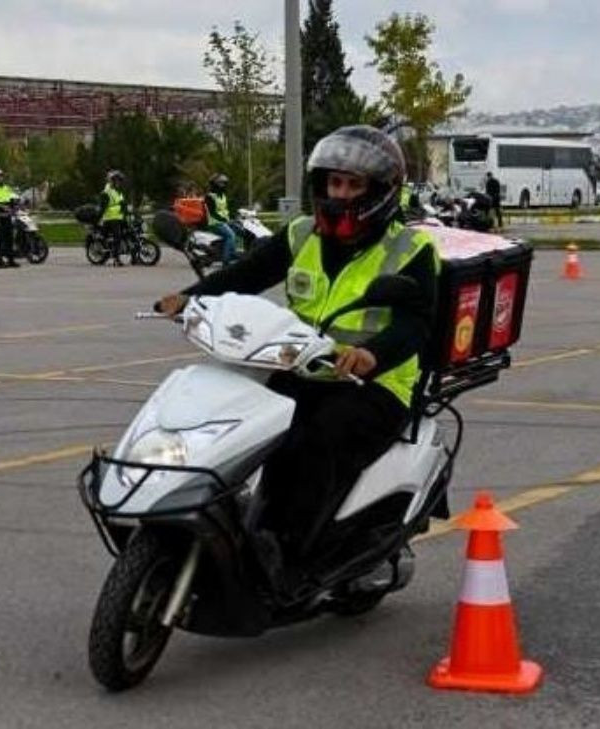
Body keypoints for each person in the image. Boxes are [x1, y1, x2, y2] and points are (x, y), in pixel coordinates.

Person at [156, 126, 439, 589]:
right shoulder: (303, 233)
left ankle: (289, 554)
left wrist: (372, 354)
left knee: (315, 440)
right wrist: (189, 298)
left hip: (376, 384)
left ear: (380, 192)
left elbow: (416, 323)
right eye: (334, 182)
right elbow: (247, 274)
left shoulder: (410, 249)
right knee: (238, 418)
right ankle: (231, 522)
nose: (340, 194)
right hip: (303, 366)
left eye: (353, 185)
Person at [97, 170, 132, 266]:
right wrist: (99, 218)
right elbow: (102, 207)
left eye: (120, 181)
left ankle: (134, 256)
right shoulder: (106, 193)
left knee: (129, 233)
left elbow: (122, 203)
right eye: (116, 180)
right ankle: (116, 259)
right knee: (118, 237)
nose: (119, 183)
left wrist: (128, 212)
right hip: (111, 218)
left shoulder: (117, 191)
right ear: (111, 181)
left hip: (119, 217)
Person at [205, 173, 239, 265]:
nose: (223, 185)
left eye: (224, 183)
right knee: (231, 236)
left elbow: (225, 210)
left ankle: (232, 251)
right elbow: (212, 213)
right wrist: (225, 220)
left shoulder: (222, 195)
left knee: (238, 229)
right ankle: (226, 260)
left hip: (222, 222)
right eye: (221, 183)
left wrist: (234, 217)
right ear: (215, 184)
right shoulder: (210, 196)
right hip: (215, 223)